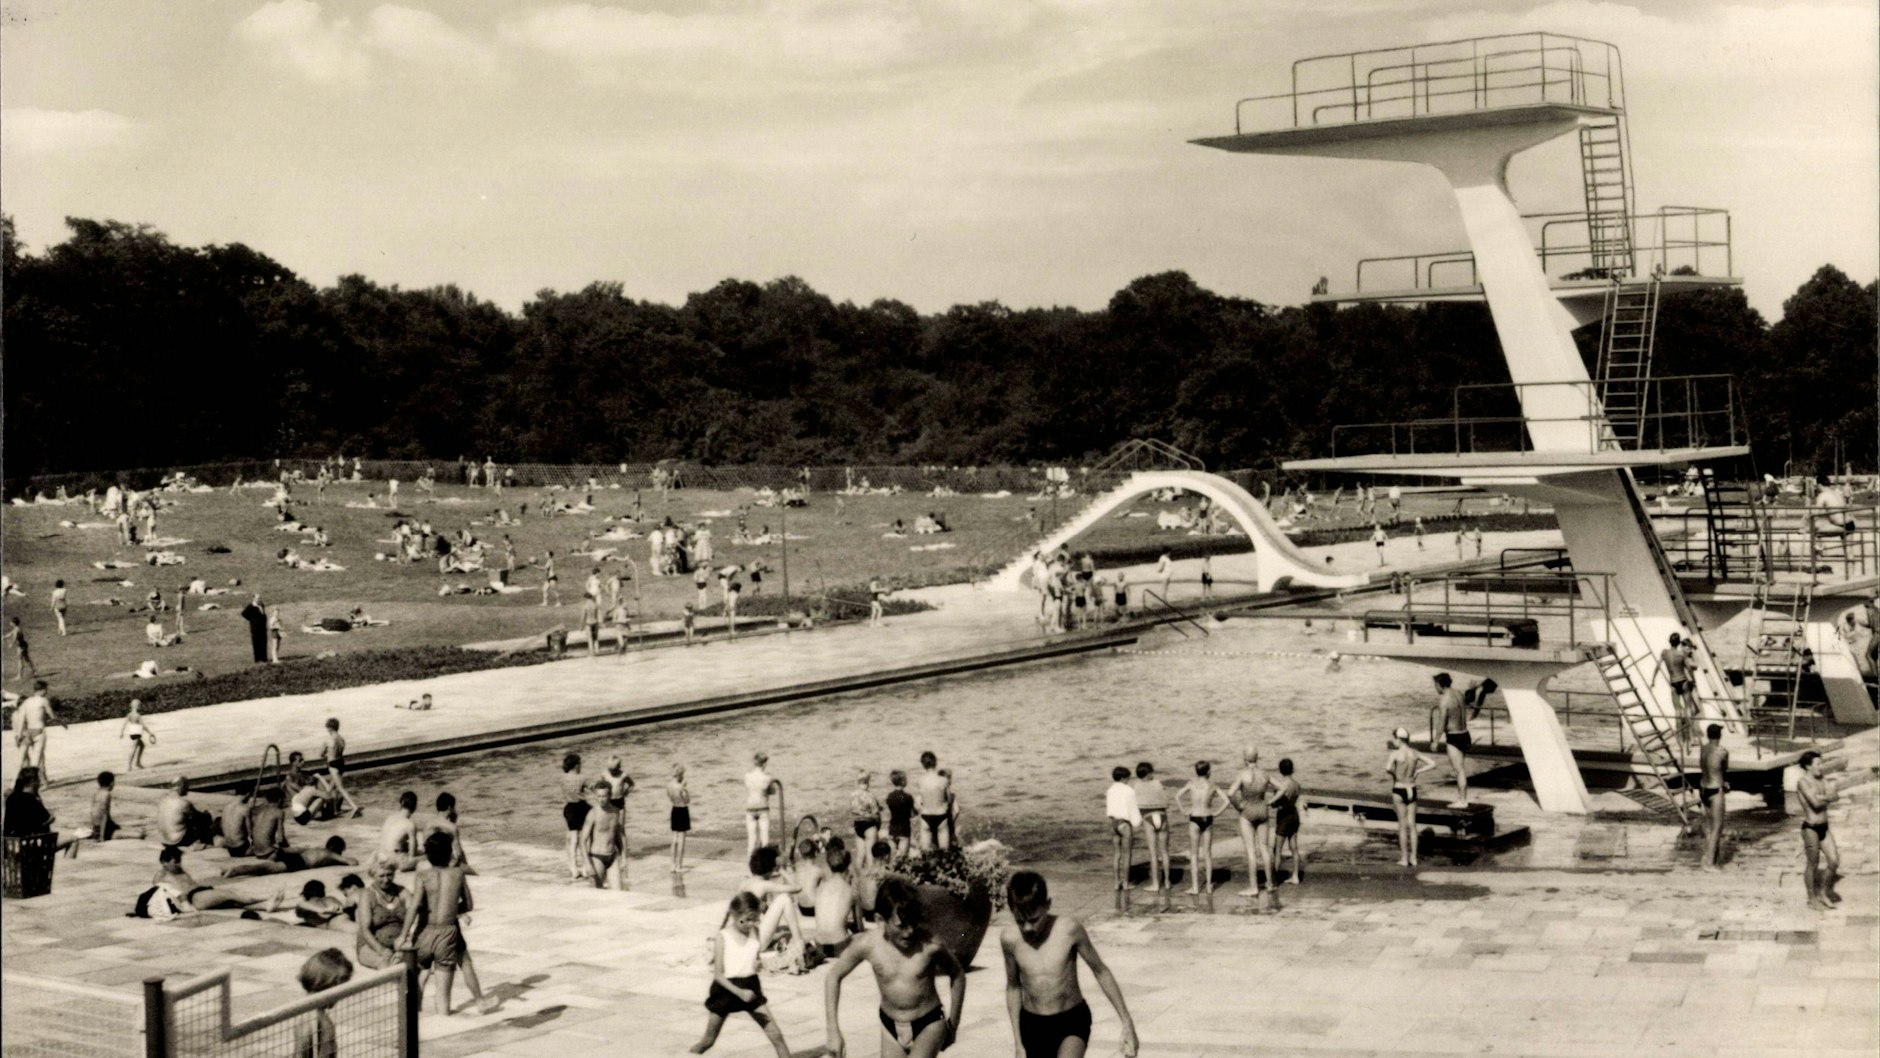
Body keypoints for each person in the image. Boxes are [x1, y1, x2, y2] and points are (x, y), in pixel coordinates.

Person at [1000, 871, 1139, 1058]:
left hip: (1071, 1020)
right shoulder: (1010, 939)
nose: (1028, 928)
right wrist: (1018, 1043)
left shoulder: (1069, 930)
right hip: (1032, 1025)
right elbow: (1013, 987)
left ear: (1047, 904)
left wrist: (1127, 1022)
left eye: (1034, 920)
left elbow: (1101, 971)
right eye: (1020, 921)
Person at [823, 877, 967, 1058]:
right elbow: (833, 977)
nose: (909, 932)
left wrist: (953, 1024)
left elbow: (958, 974)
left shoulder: (930, 945)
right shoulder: (868, 945)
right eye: (901, 926)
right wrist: (832, 1030)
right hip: (889, 1025)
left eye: (913, 923)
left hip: (928, 1023)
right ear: (880, 920)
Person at [397, 831, 496, 1016]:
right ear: (450, 852)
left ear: (427, 854)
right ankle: (467, 1006)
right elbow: (469, 904)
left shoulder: (422, 875)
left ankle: (413, 1016)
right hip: (448, 932)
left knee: (422, 972)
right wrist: (451, 910)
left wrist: (403, 935)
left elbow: (414, 906)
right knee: (448, 986)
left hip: (424, 930)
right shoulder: (458, 874)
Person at [690, 892, 793, 1057]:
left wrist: (758, 964)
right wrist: (740, 993)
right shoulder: (723, 937)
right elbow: (718, 975)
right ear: (734, 915)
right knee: (708, 1040)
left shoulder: (755, 932)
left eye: (755, 919)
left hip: (751, 987)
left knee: (776, 1036)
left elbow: (753, 958)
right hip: (726, 991)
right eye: (747, 920)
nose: (751, 924)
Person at [1226, 747, 1275, 900]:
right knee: (1264, 848)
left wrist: (1238, 806)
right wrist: (1270, 801)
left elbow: (1230, 793)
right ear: (1257, 758)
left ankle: (1253, 887)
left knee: (1251, 850)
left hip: (1247, 810)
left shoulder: (1242, 774)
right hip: (1262, 808)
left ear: (1244, 759)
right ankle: (1270, 884)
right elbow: (1283, 788)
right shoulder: (1265, 774)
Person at [1796, 750, 1841, 910]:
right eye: (1818, 764)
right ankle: (1811, 899)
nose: (1821, 767)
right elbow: (1815, 804)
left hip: (1824, 827)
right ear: (1808, 766)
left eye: (1821, 763)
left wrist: (1823, 797)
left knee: (1834, 861)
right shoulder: (1803, 782)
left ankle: (1823, 893)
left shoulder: (1822, 779)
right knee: (1813, 864)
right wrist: (1826, 797)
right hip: (1811, 829)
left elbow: (1836, 796)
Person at [1174, 761, 1228, 895]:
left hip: (1194, 818)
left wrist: (1184, 811)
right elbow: (1227, 801)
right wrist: (1216, 813)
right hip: (1207, 817)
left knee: (1194, 854)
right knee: (1208, 854)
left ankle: (1195, 887)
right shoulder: (1212, 785)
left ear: (1196, 771)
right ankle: (1209, 886)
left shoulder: (1191, 783)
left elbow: (1177, 796)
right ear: (1208, 771)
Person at [3, 768, 83, 853]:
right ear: (33, 781)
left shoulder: (11, 798)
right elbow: (43, 822)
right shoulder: (32, 800)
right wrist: (52, 818)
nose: (40, 783)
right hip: (30, 846)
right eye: (38, 780)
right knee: (73, 839)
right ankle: (68, 861)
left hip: (11, 846)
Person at [1386, 728, 1433, 868]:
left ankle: (1404, 859)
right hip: (1411, 788)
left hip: (1399, 788)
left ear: (1399, 739)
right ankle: (1414, 858)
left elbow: (1387, 768)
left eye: (1394, 739)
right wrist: (1418, 771)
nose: (1394, 741)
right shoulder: (1414, 753)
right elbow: (1432, 763)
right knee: (1412, 825)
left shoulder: (1395, 754)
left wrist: (1395, 776)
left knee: (1402, 826)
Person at [292, 949, 353, 1058]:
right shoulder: (317, 1021)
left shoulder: (308, 1015)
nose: (342, 995)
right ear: (328, 985)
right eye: (341, 989)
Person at [354, 859, 409, 970]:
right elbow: (365, 929)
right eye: (381, 876)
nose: (386, 880)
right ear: (373, 876)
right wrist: (382, 950)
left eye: (389, 875)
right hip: (371, 945)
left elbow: (415, 915)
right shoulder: (367, 895)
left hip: (399, 943)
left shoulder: (401, 891)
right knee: (385, 965)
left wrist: (407, 938)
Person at [220, 835, 356, 878]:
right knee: (263, 869)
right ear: (336, 848)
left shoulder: (318, 850)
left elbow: (299, 849)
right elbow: (352, 862)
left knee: (263, 867)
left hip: (294, 856)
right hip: (298, 862)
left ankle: (232, 869)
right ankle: (236, 871)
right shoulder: (330, 853)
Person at [1429, 673, 1472, 807]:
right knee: (1460, 768)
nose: (1435, 687)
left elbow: (1442, 723)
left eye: (1435, 685)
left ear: (1440, 685)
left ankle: (1462, 801)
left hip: (1454, 736)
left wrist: (1436, 741)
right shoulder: (1459, 694)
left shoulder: (1444, 700)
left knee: (1459, 770)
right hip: (1465, 734)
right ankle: (1462, 798)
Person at [812, 843, 860, 959]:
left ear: (829, 867)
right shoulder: (851, 891)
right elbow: (859, 929)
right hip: (840, 945)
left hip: (819, 945)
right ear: (848, 867)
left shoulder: (820, 888)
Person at [1130, 762, 1171, 893]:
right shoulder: (1158, 783)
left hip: (1148, 818)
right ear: (1149, 773)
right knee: (1165, 852)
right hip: (1162, 816)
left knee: (1153, 854)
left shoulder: (1137, 786)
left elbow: (1136, 805)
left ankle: (1155, 884)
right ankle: (1167, 882)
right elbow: (1166, 802)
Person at [13, 680, 66, 778]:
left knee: (21, 760)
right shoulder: (43, 700)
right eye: (46, 689)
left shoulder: (27, 702)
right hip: (39, 731)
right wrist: (62, 723)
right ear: (42, 690)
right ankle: (36, 781)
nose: (47, 692)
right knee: (36, 759)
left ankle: (14, 783)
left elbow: (21, 719)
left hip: (28, 732)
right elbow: (52, 716)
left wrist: (18, 735)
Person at [578, 781, 626, 890]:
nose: (601, 799)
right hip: (596, 857)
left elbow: (618, 837)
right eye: (598, 796)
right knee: (597, 893)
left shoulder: (616, 812)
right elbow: (582, 841)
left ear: (610, 795)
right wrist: (587, 864)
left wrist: (624, 858)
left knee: (619, 892)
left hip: (612, 857)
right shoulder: (593, 813)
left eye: (604, 796)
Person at [1104, 766, 1140, 892]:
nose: (1128, 781)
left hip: (1113, 823)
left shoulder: (1110, 790)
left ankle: (1116, 882)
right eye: (1128, 778)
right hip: (1124, 823)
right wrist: (1136, 823)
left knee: (1117, 854)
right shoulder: (1129, 790)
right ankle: (1125, 883)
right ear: (1124, 778)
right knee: (1127, 854)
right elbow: (1133, 809)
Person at [1699, 723, 1729, 870]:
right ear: (1720, 736)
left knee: (1710, 827)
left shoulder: (1703, 749)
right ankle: (1710, 864)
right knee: (1717, 827)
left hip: (1703, 788)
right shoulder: (1722, 751)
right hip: (1715, 790)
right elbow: (1723, 769)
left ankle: (1710, 858)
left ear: (1708, 735)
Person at [1270, 758, 1304, 884]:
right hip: (1294, 814)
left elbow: (1274, 804)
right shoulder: (1296, 785)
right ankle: (1295, 876)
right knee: (1294, 847)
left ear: (1280, 770)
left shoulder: (1280, 785)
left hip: (1284, 815)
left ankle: (1274, 880)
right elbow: (1295, 798)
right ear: (1292, 769)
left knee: (1277, 850)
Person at [1661, 632, 1698, 746]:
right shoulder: (1681, 654)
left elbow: (1658, 666)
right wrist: (1692, 680)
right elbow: (1689, 668)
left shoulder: (1665, 653)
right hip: (1683, 682)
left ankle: (1680, 739)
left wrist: (1652, 681)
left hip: (1673, 683)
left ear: (1670, 641)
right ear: (1678, 643)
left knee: (1677, 712)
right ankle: (1691, 738)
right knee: (1688, 710)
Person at [321, 718, 363, 817]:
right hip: (341, 762)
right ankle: (334, 809)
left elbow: (320, 754)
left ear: (330, 728)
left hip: (333, 764)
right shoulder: (341, 739)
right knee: (330, 788)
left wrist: (326, 755)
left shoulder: (328, 740)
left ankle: (354, 807)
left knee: (339, 788)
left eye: (327, 728)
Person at [375, 791, 422, 872]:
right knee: (427, 857)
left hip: (381, 856)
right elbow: (412, 854)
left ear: (401, 803)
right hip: (394, 860)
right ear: (414, 807)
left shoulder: (390, 818)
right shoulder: (410, 824)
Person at [560, 754, 590, 880]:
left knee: (573, 839)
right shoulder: (581, 778)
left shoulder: (563, 778)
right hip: (581, 807)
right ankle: (585, 868)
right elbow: (592, 789)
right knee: (585, 838)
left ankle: (573, 869)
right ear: (576, 765)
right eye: (580, 764)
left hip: (569, 808)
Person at [743, 753, 779, 855]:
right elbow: (773, 791)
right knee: (764, 837)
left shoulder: (747, 776)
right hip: (763, 807)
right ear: (764, 764)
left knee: (752, 838)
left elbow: (748, 788)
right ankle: (765, 860)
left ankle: (750, 859)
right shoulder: (767, 778)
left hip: (750, 808)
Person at [849, 771, 882, 866]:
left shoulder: (852, 795)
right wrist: (878, 826)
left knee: (860, 855)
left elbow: (852, 811)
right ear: (868, 782)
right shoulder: (870, 795)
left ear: (857, 782)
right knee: (870, 855)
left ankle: (858, 874)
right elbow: (876, 813)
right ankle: (871, 874)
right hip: (869, 825)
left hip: (858, 825)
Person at [885, 769, 915, 858]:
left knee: (892, 857)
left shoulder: (890, 796)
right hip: (904, 829)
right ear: (902, 782)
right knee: (903, 858)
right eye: (906, 779)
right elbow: (913, 813)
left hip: (892, 828)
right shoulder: (907, 797)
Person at [119, 698, 156, 770]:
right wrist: (150, 733)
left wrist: (122, 733)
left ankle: (137, 762)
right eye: (140, 706)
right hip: (137, 732)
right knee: (134, 748)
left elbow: (124, 724)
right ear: (137, 706)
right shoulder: (137, 715)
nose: (141, 707)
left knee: (142, 745)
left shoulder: (129, 715)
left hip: (132, 732)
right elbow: (143, 725)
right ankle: (130, 765)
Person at [668, 763, 691, 873]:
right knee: (681, 840)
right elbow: (687, 800)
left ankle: (672, 864)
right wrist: (685, 789)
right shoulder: (680, 787)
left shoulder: (669, 785)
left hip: (674, 809)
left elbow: (670, 797)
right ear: (680, 774)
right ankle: (679, 865)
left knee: (674, 839)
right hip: (682, 810)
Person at [240, 596, 270, 663]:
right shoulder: (251, 606)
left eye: (259, 598)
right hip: (255, 628)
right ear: (254, 599)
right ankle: (257, 659)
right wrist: (252, 620)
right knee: (256, 642)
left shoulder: (262, 605)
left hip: (263, 627)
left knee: (263, 642)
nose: (259, 599)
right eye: (257, 598)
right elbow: (243, 613)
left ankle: (264, 658)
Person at [7, 616, 35, 681]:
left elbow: (14, 638)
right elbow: (10, 634)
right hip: (23, 645)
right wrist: (4, 637)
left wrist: (11, 644)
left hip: (20, 647)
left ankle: (19, 676)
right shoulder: (17, 628)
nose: (10, 623)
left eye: (11, 622)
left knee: (20, 660)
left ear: (14, 623)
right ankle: (34, 671)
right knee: (27, 659)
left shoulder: (16, 630)